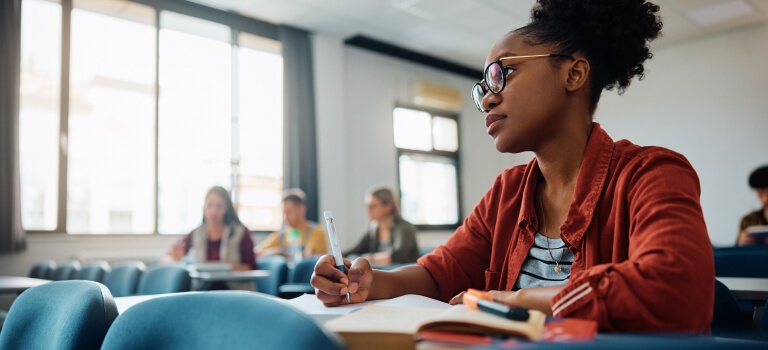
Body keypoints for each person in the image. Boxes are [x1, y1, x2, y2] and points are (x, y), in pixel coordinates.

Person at [311, 0, 714, 333]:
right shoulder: (508, 191)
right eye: (483, 88)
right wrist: (370, 282)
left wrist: (515, 300)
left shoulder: (651, 173)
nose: (487, 99)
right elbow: (439, 274)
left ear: (573, 73)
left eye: (503, 73)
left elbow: (676, 291)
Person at [165, 186, 257, 290]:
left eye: (219, 206)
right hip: (204, 289)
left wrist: (235, 267)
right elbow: (169, 257)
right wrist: (176, 257)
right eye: (210, 205)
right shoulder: (197, 233)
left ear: (226, 209)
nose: (214, 211)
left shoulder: (241, 233)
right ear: (204, 207)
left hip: (234, 290)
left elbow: (252, 267)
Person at [344, 188, 419, 266]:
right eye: (366, 206)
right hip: (386, 273)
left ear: (387, 207)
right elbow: (357, 249)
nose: (368, 210)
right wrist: (338, 257)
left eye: (373, 206)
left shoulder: (405, 228)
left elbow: (399, 255)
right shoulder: (374, 229)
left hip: (404, 273)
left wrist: (371, 258)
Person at [256, 189, 329, 262]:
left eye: (289, 212)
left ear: (301, 209)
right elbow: (257, 253)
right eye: (284, 213)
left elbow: (312, 257)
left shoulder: (317, 232)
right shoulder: (281, 235)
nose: (286, 217)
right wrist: (277, 252)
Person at [736, 165, 768, 246]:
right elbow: (736, 255)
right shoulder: (748, 220)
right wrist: (741, 244)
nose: (765, 199)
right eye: (760, 194)